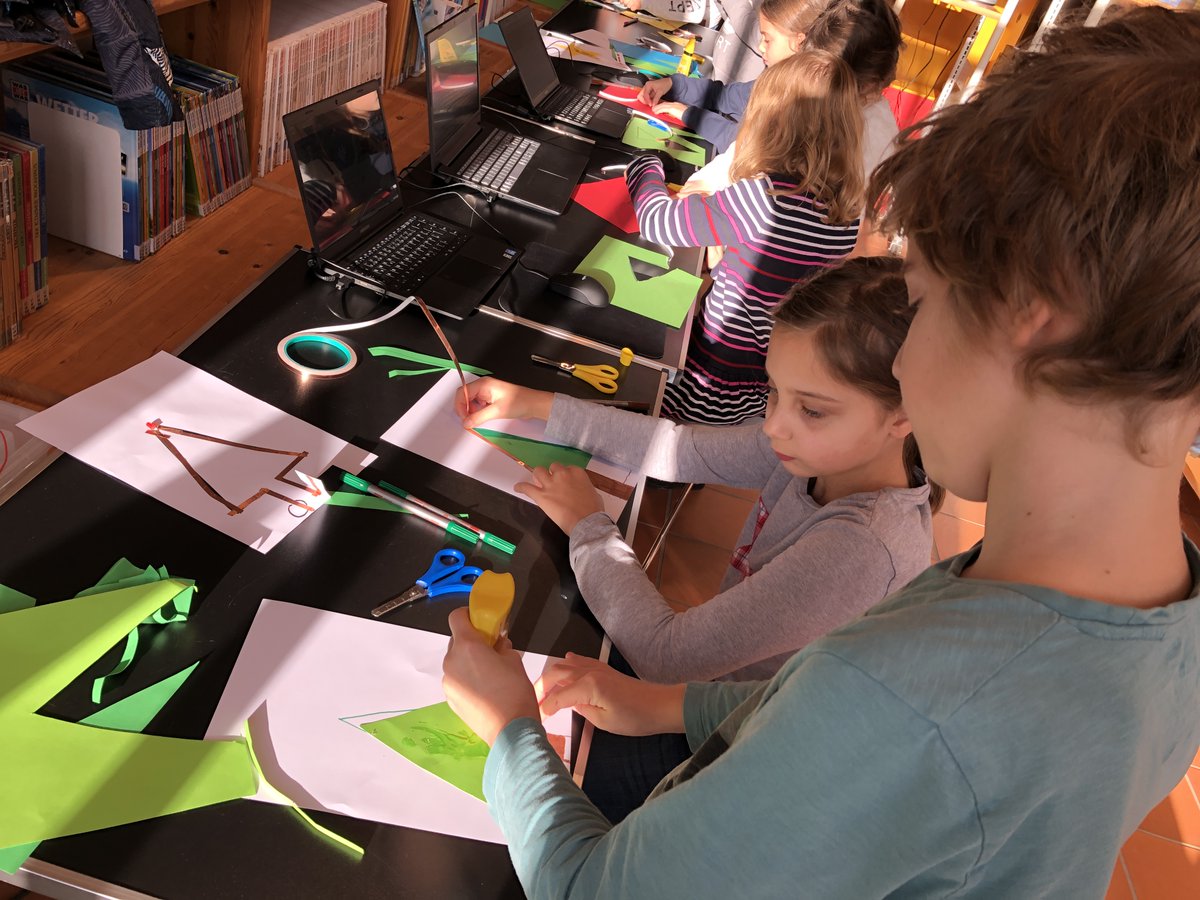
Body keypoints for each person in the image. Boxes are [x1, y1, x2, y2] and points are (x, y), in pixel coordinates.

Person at [441, 8, 1200, 896]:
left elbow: (589, 888)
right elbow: (809, 704)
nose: (907, 361)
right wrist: (679, 704)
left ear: (1035, 312)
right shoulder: (1163, 610)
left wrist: (507, 731)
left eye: (922, 303)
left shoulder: (899, 696)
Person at [456, 257, 935, 685]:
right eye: (773, 391)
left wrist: (588, 525)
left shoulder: (862, 550)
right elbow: (680, 449)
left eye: (811, 409)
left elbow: (668, 657)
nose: (773, 424)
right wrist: (536, 404)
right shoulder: (814, 448)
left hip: (733, 734)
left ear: (904, 412)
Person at [627, 50, 864, 425]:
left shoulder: (764, 198)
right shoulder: (846, 213)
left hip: (703, 383)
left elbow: (657, 222)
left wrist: (644, 163)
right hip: (755, 387)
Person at [679, 0, 903, 205]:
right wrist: (708, 182)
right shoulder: (813, 91)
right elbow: (753, 145)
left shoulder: (869, 141)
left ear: (866, 86)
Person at [637, 0, 823, 153]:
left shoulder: (804, 104)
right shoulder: (773, 80)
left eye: (767, 39)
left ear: (799, 42)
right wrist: (673, 84)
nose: (761, 47)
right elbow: (725, 96)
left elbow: (748, 145)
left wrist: (689, 113)